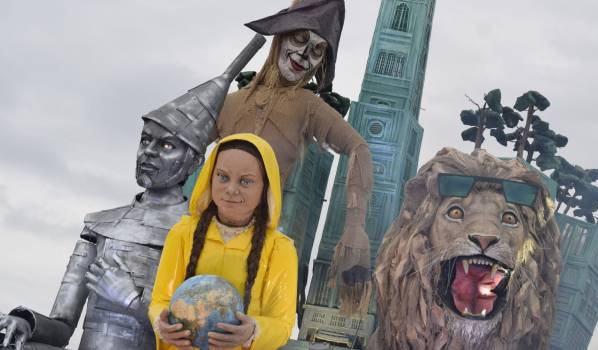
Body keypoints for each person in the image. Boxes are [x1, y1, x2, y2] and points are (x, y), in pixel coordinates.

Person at [0, 37, 263, 350]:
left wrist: (131, 300)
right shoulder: (99, 227)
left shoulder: (203, 235)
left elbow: (198, 334)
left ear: (194, 161)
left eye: (166, 146)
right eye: (145, 141)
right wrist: (25, 321)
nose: (149, 153)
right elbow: (62, 328)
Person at [217, 0, 373, 314]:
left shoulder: (307, 105)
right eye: (300, 39)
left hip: (259, 239)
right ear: (281, 36)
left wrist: (355, 225)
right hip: (205, 230)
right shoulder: (230, 101)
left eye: (317, 50)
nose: (304, 55)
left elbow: (358, 148)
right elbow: (179, 137)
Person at [149, 133, 297, 350]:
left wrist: (253, 330)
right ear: (210, 176)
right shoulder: (183, 233)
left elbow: (282, 324)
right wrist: (161, 324)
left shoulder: (279, 249)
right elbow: (160, 299)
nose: (231, 189)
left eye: (246, 181)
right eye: (223, 176)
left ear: (265, 187)